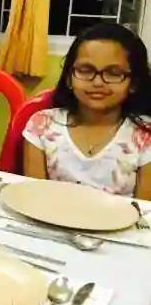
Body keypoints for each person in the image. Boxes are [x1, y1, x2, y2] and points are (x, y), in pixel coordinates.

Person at [23, 23, 151, 198]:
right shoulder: (41, 125)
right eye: (85, 70)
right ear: (69, 78)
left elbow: (144, 209)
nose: (97, 82)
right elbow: (35, 198)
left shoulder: (145, 135)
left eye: (113, 73)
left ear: (133, 83)